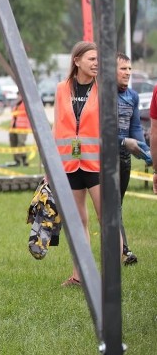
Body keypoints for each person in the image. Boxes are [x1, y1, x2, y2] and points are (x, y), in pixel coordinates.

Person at [53, 41, 105, 287]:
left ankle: (110, 274)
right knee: (77, 222)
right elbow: (57, 128)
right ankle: (79, 275)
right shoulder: (62, 89)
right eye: (92, 59)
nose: (96, 63)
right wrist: (50, 168)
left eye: (98, 60)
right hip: (69, 164)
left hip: (97, 163)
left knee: (106, 218)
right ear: (77, 61)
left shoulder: (103, 89)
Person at [116, 53, 151, 265]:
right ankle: (124, 251)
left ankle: (120, 249)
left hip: (124, 159)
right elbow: (99, 130)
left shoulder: (133, 96)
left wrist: (147, 153)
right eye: (123, 68)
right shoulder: (101, 95)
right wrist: (122, 141)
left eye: (130, 69)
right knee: (111, 206)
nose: (128, 72)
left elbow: (136, 128)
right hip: (103, 159)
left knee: (116, 206)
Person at [9, 93, 31, 167]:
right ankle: (17, 161)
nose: (18, 96)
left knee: (21, 143)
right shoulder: (16, 103)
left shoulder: (26, 103)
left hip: (23, 127)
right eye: (18, 94)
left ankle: (24, 160)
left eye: (19, 95)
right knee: (13, 144)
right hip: (13, 127)